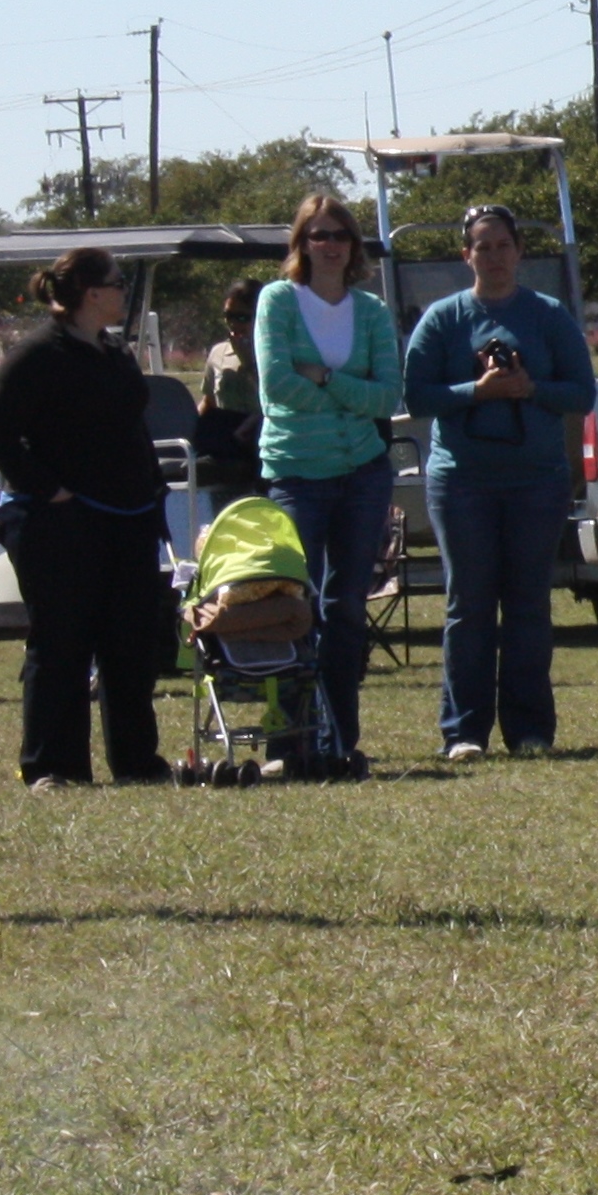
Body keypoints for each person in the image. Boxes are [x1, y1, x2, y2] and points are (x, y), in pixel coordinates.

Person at [404, 203, 594, 760]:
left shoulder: (549, 314)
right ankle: (464, 732)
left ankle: (531, 730)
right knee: (469, 604)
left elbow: (581, 394)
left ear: (519, 252)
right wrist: (477, 392)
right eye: (482, 247)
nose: (494, 257)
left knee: (529, 604)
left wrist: (530, 388)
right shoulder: (443, 318)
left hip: (536, 481)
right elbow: (418, 397)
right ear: (466, 256)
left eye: (503, 246)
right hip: (461, 483)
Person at [0, 247, 171, 789]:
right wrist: (52, 490)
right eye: (116, 285)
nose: (122, 294)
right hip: (58, 523)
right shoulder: (38, 354)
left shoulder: (114, 352)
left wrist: (151, 488)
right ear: (91, 293)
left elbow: (130, 425)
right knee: (63, 641)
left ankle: (137, 763)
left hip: (129, 516)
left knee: (130, 643)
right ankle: (53, 766)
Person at [256, 193, 404, 766]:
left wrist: (322, 377)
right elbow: (276, 387)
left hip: (364, 473)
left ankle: (341, 737)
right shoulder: (277, 301)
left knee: (346, 608)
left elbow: (388, 396)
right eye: (318, 235)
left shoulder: (369, 310)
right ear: (301, 244)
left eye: (340, 234)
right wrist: (349, 390)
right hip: (297, 474)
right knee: (296, 603)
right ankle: (290, 738)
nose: (331, 245)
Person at [194, 278, 267, 489]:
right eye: (229, 317)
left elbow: (276, 397)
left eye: (243, 317)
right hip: (223, 437)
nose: (235, 324)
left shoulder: (276, 354)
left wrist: (249, 362)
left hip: (256, 441)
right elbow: (209, 402)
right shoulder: (219, 352)